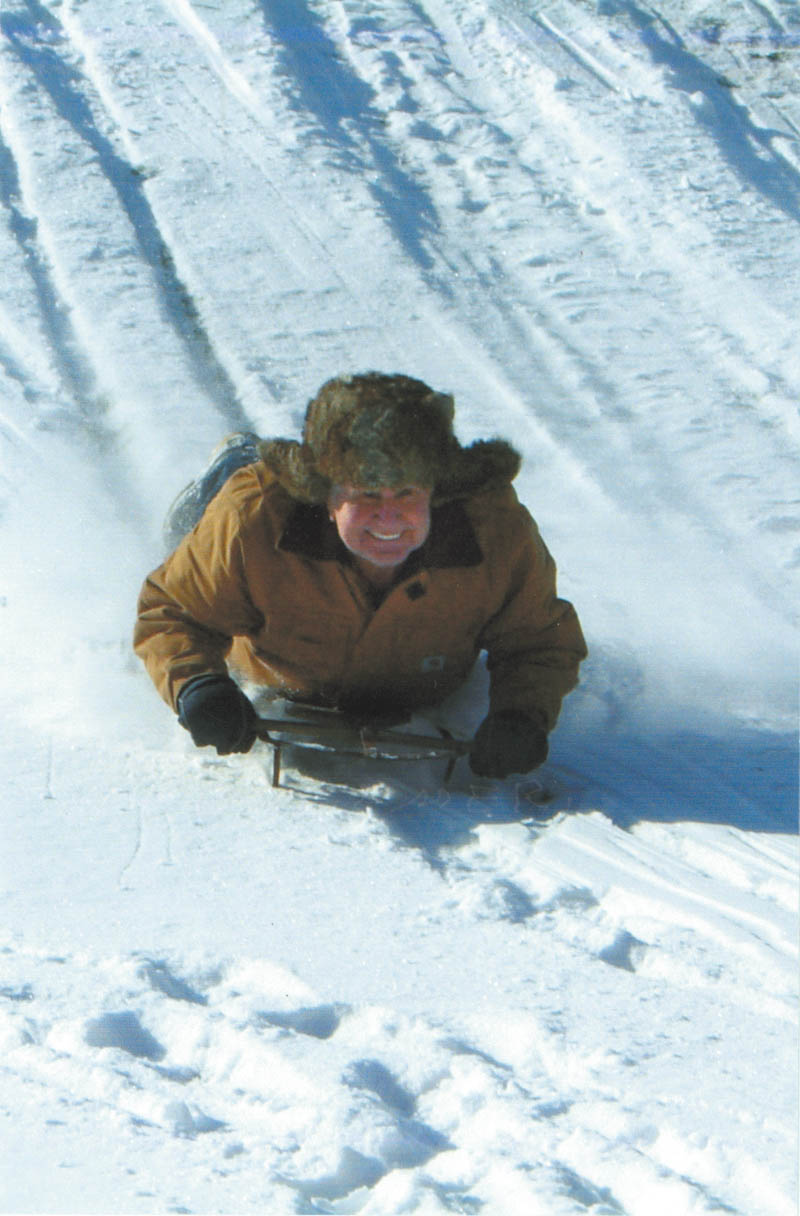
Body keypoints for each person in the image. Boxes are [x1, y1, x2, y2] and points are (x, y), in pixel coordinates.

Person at [134, 372, 587, 777]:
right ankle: (234, 458)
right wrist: (198, 687)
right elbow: (172, 611)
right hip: (272, 660)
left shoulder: (496, 532)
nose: (388, 518)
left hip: (412, 684)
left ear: (436, 492)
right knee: (199, 525)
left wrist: (522, 716)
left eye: (407, 493)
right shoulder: (254, 519)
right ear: (326, 497)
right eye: (366, 494)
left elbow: (539, 640)